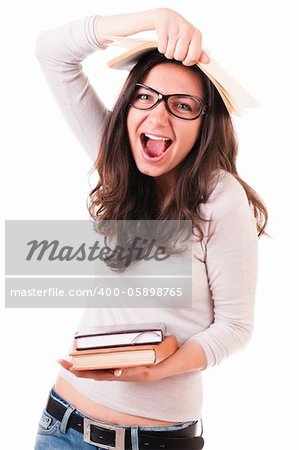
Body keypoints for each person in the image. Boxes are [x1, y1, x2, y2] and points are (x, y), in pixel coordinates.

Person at [34, 7, 267, 450]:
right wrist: (153, 19)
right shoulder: (119, 165)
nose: (158, 119)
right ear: (129, 103)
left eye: (182, 106)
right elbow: (52, 52)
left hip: (155, 440)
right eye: (146, 96)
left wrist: (159, 368)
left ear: (205, 125)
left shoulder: (220, 197)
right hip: (61, 426)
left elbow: (235, 326)